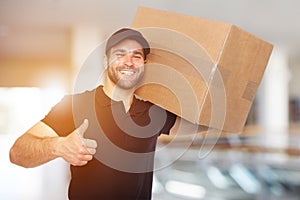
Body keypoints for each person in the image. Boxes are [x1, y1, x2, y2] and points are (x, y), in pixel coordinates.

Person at [9, 28, 177, 200]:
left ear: (144, 65)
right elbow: (17, 153)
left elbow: (199, 125)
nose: (129, 62)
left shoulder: (153, 112)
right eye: (120, 54)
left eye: (136, 56)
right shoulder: (75, 105)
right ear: (105, 61)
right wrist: (58, 146)